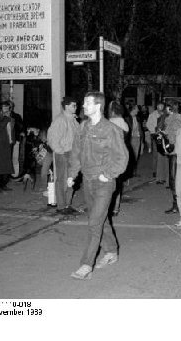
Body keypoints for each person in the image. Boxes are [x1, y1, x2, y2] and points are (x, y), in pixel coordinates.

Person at [67, 91, 129, 280]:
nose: (83, 106)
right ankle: (111, 251)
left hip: (104, 183)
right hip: (87, 180)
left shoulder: (111, 130)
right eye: (84, 102)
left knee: (94, 222)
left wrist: (107, 175)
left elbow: (122, 158)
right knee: (100, 219)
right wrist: (72, 174)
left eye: (87, 103)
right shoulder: (83, 126)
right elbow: (77, 152)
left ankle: (86, 265)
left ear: (98, 106)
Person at [47, 96, 80, 214]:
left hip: (72, 153)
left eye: (76, 105)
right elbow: (52, 138)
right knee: (62, 179)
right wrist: (61, 151)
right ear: (66, 106)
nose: (76, 107)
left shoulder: (73, 120)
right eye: (73, 105)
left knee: (70, 180)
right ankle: (61, 206)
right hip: (64, 153)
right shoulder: (60, 120)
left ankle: (67, 204)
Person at [108, 100, 130, 216]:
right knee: (118, 182)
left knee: (111, 182)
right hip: (121, 155)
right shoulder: (123, 123)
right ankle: (115, 208)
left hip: (111, 155)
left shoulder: (110, 122)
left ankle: (110, 207)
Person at [161, 103, 181, 213]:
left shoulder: (175, 120)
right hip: (175, 151)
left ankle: (178, 205)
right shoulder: (174, 120)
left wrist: (170, 144)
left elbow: (177, 136)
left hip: (176, 152)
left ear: (169, 109)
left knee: (174, 179)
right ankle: (178, 204)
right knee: (175, 179)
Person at [0, 101, 15, 193]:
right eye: (4, 107)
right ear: (0, 108)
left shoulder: (9, 117)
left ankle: (4, 184)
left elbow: (11, 129)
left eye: (8, 107)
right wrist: (6, 118)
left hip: (8, 143)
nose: (6, 109)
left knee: (6, 165)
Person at [149, 102, 167, 184]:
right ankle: (155, 171)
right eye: (159, 106)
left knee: (162, 155)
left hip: (163, 135)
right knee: (156, 154)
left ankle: (161, 173)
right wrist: (154, 131)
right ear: (157, 106)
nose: (161, 107)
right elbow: (149, 124)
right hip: (156, 135)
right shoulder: (153, 114)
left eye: (162, 106)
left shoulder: (165, 114)